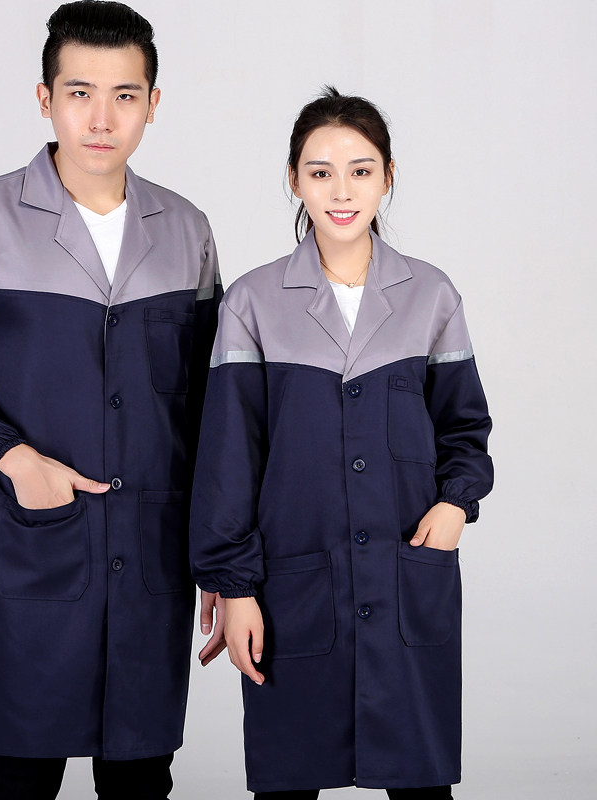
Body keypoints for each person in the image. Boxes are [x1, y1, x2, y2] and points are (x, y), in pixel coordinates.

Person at [0, 2, 225, 798]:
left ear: (152, 103)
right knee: (21, 774)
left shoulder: (188, 232)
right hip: (36, 545)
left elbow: (214, 407)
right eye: (79, 92)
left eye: (125, 95)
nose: (101, 118)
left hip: (153, 552)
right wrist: (12, 456)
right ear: (45, 99)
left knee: (142, 776)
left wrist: (220, 549)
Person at [190, 87, 494, 799]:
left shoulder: (432, 296)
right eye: (320, 172)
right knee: (288, 780)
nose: (342, 190)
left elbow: (464, 427)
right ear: (294, 180)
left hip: (404, 575)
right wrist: (234, 587)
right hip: (294, 585)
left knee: (420, 781)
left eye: (360, 170)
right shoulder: (252, 302)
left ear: (388, 176)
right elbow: (229, 457)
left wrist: (456, 504)